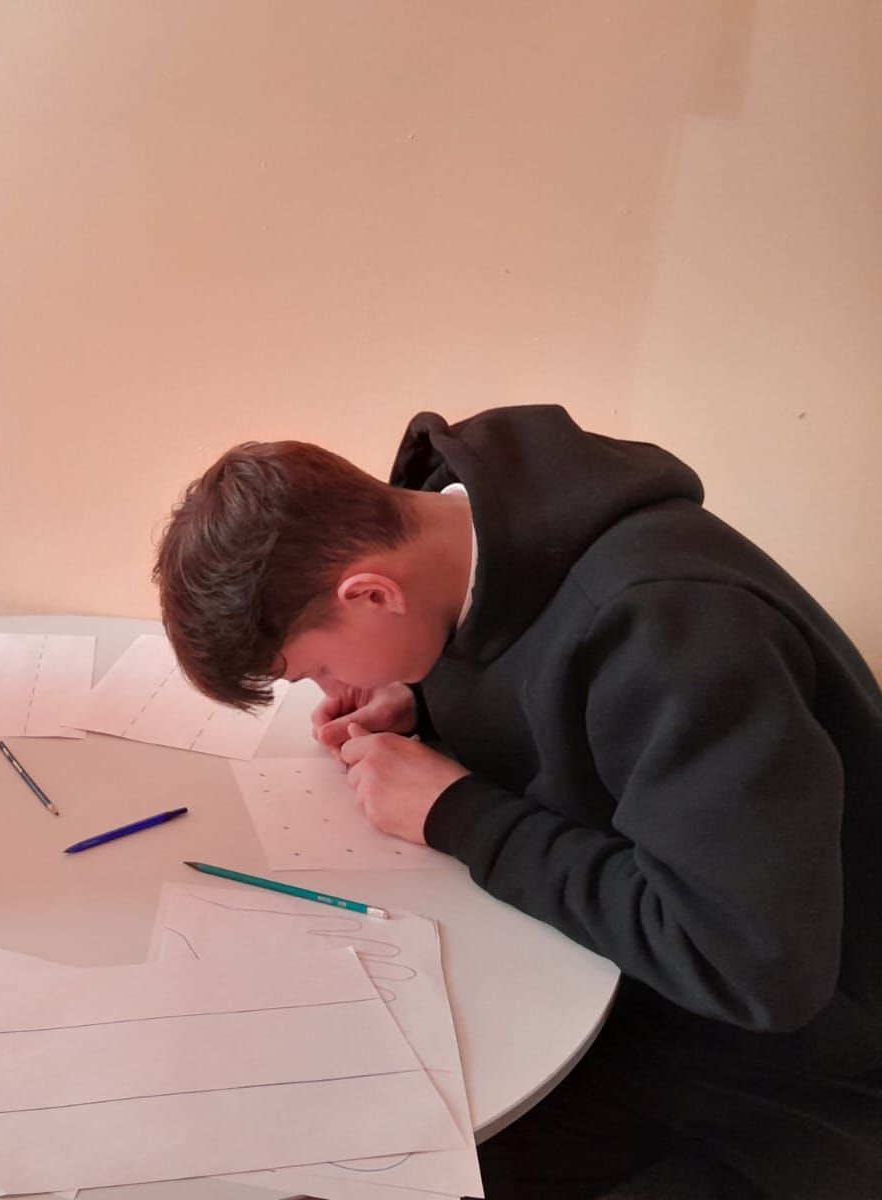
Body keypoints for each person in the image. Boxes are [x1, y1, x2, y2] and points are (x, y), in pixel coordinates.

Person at [153, 405, 882, 1198]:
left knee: (357, 1163)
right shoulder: (459, 530)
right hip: (620, 984)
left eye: (317, 669)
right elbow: (542, 678)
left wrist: (458, 813)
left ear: (370, 595)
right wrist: (422, 701)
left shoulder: (674, 626)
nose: (330, 688)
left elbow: (753, 963)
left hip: (770, 1066)